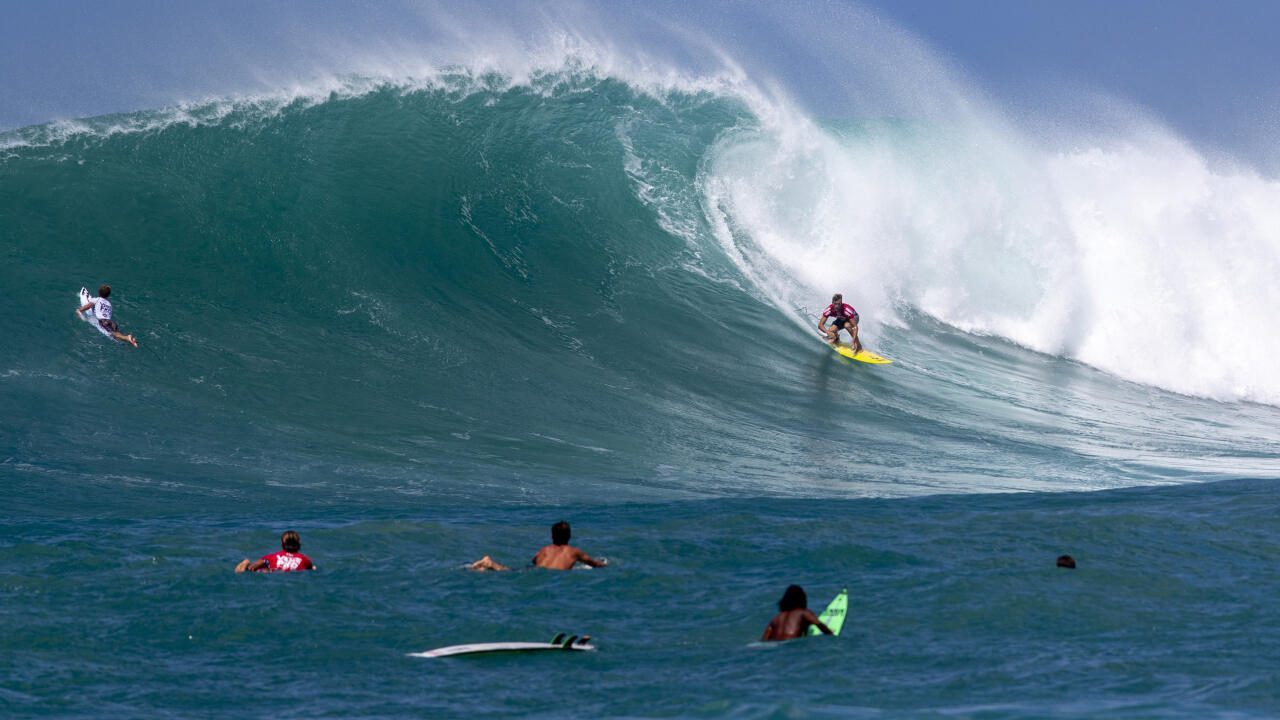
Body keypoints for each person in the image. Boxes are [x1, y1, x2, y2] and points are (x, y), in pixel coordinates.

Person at [468, 520, 607, 572]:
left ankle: (488, 564)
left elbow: (535, 561)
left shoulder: (544, 549)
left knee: (510, 570)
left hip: (536, 570)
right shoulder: (574, 551)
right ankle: (489, 564)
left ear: (552, 536)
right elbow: (594, 564)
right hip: (551, 575)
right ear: (569, 536)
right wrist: (607, 564)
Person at [761, 585, 833, 641]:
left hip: (773, 644)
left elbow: (764, 639)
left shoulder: (776, 618)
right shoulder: (803, 613)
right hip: (790, 643)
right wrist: (831, 634)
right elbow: (819, 624)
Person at [235, 530, 316, 573]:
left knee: (257, 568)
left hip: (273, 571)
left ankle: (246, 563)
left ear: (282, 544)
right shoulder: (305, 559)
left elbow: (254, 567)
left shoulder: (271, 557)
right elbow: (313, 570)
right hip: (289, 574)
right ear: (298, 544)